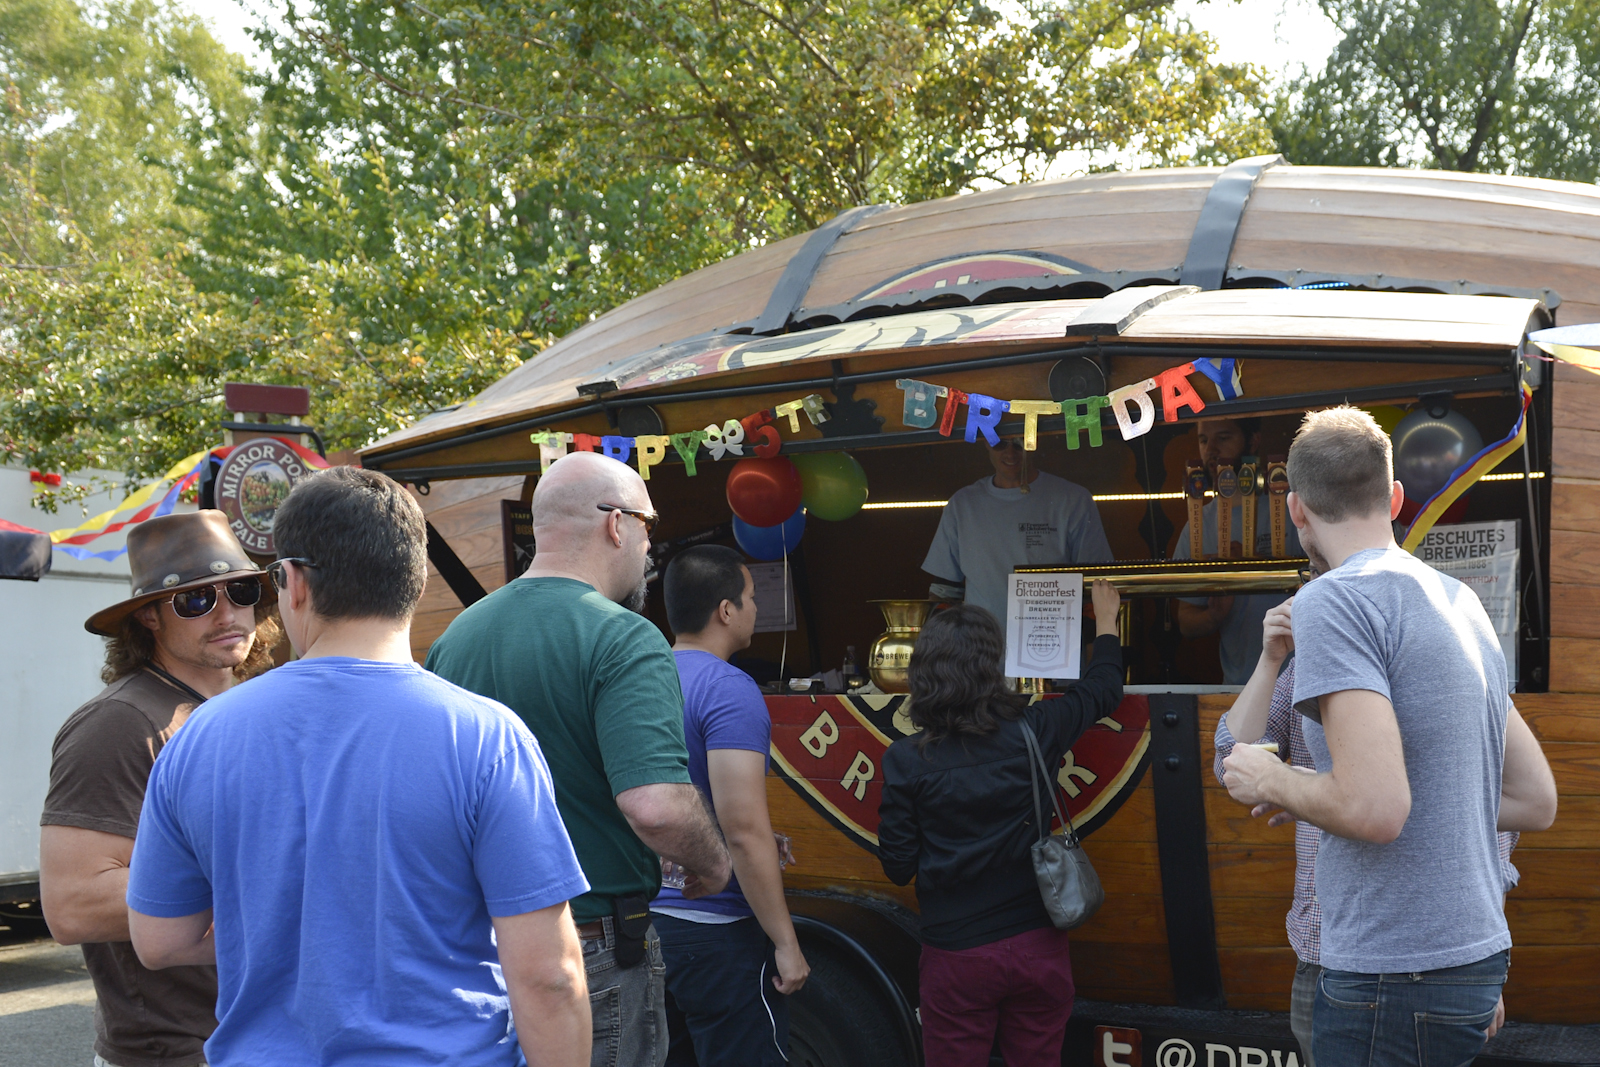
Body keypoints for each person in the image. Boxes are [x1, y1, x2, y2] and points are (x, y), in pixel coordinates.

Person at [124, 468, 591, 1067]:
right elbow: (549, 978)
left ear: (291, 582)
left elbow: (159, 940)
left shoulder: (198, 738)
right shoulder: (486, 737)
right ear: (416, 582)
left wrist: (298, 938)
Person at [1222, 407, 1557, 1067]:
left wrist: (1275, 780)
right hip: (1472, 959)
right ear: (1395, 497)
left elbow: (1376, 808)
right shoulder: (1462, 602)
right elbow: (1533, 797)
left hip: (1388, 971)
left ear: (1296, 509)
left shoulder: (1332, 600)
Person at [427, 450, 732, 1067]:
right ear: (616, 525)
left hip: (479, 954)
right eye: (649, 528)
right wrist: (715, 864)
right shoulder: (624, 635)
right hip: (589, 951)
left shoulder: (454, 639)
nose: (650, 549)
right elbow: (656, 807)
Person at [1214, 595, 1522, 1066]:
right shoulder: (1305, 671)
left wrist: (1482, 961)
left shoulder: (1442, 666)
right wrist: (1271, 657)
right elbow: (1231, 759)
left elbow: (1494, 834)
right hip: (1324, 950)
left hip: (1433, 960)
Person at [39, 510, 280, 1067]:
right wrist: (274, 887)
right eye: (195, 601)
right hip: (174, 1052)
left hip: (258, 1038)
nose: (226, 613)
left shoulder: (245, 709)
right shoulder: (118, 723)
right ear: (148, 615)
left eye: (240, 590)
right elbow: (71, 904)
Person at [877, 582, 1124, 1067]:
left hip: (956, 956)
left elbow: (898, 866)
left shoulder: (905, 761)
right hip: (1038, 945)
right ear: (994, 668)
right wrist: (1109, 622)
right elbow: (1103, 689)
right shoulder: (1038, 730)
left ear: (923, 673)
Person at [653, 545, 809, 1066]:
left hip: (645, 922)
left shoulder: (639, 679)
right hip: (715, 931)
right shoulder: (729, 689)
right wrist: (785, 942)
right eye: (749, 597)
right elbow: (743, 829)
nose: (755, 608)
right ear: (725, 610)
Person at [922, 434, 1113, 626]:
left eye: (1020, 442)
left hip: (1054, 647)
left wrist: (1096, 650)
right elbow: (944, 591)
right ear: (986, 443)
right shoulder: (962, 505)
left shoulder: (1073, 500)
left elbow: (1097, 586)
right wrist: (941, 648)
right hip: (981, 650)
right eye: (1000, 443)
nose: (1011, 452)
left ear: (1035, 442)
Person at [1173, 417, 1304, 684]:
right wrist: (1214, 615)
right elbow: (1186, 621)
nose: (1211, 449)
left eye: (1223, 438)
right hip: (1239, 687)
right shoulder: (1199, 524)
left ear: (1253, 442)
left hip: (1304, 688)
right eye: (1203, 440)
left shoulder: (1291, 507)